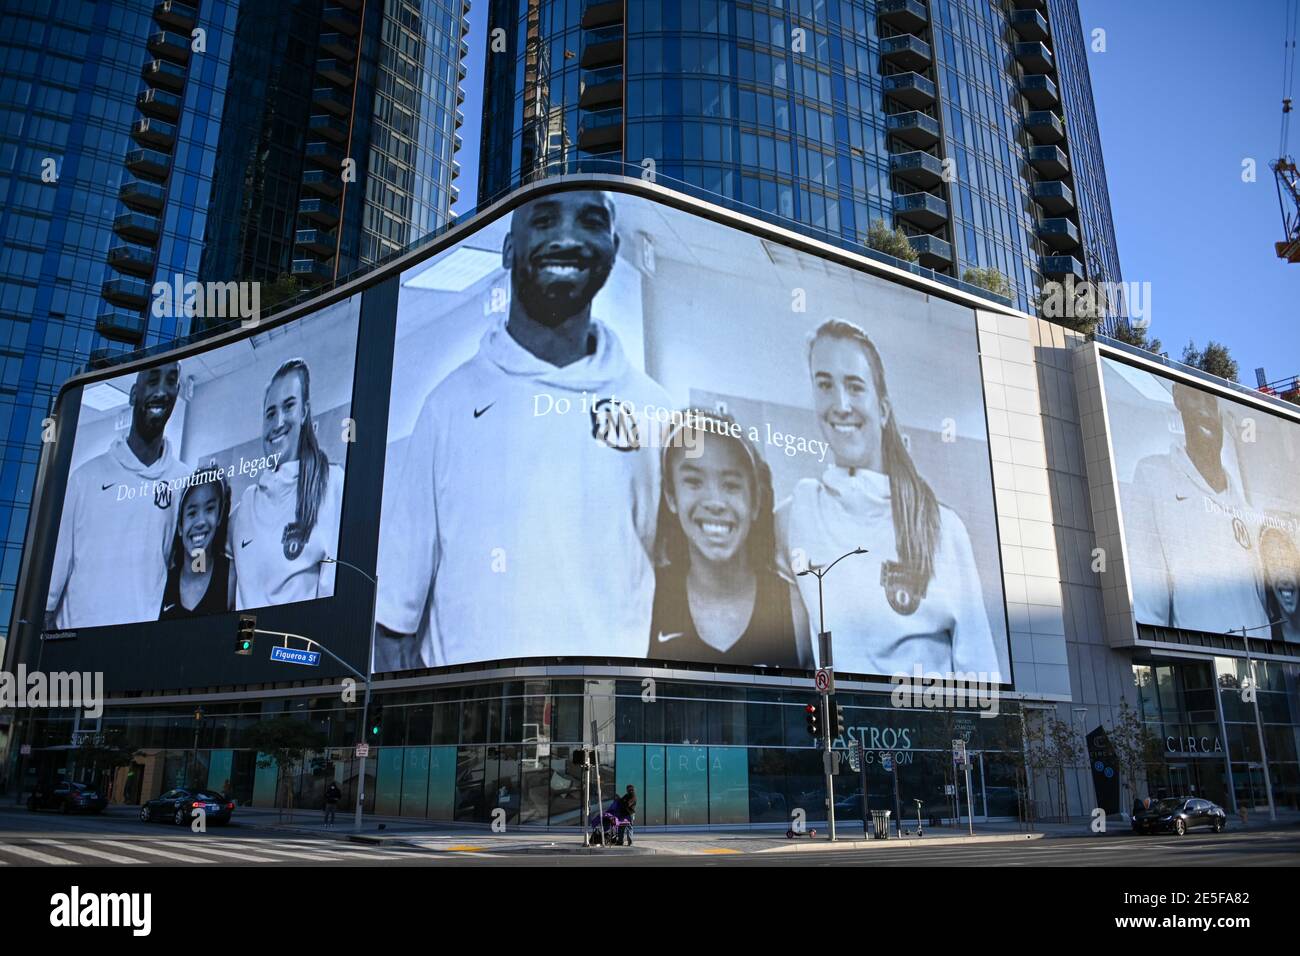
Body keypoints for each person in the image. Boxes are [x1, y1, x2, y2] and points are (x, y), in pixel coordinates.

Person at [376, 190, 670, 669]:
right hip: (468, 723)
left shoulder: (657, 411)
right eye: (546, 219)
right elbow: (393, 625)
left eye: (591, 221)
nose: (568, 237)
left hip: (608, 719)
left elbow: (674, 584)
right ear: (509, 248)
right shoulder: (447, 407)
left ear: (613, 248)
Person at [777, 317, 1000, 677]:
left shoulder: (943, 527)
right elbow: (801, 656)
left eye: (855, 386)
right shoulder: (795, 514)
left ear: (882, 409)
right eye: (824, 385)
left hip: (932, 728)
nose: (841, 404)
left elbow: (980, 669)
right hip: (840, 730)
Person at [648, 409, 806, 667]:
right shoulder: (650, 599)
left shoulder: (792, 607)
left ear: (755, 500)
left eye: (731, 485)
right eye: (694, 482)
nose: (715, 502)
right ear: (671, 496)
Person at [47, 361, 191, 629]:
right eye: (152, 380)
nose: (161, 390)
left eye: (171, 380)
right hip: (76, 648)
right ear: (133, 394)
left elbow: (188, 564)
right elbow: (50, 589)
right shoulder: (84, 478)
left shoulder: (183, 481)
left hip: (135, 651)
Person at [1126, 382, 1271, 636]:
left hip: (1262, 658)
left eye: (1210, 402)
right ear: (1178, 399)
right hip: (1198, 658)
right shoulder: (1153, 475)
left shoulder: (1247, 508)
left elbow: (1262, 597)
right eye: (1195, 398)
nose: (1204, 410)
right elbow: (1149, 591)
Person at [229, 359, 344, 610]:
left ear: (304, 412)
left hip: (295, 647)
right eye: (270, 413)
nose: (278, 422)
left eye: (289, 406)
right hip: (245, 645)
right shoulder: (246, 505)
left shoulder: (332, 484)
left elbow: (333, 603)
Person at [159, 464, 233, 619]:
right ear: (180, 526)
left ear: (219, 516)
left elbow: (246, 638)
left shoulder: (231, 576)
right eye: (192, 513)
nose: (200, 522)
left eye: (209, 509)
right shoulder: (164, 582)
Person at [1259, 525, 1300, 643]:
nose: (1284, 578)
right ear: (1268, 580)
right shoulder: (1266, 637)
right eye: (1274, 565)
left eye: (1287, 563)